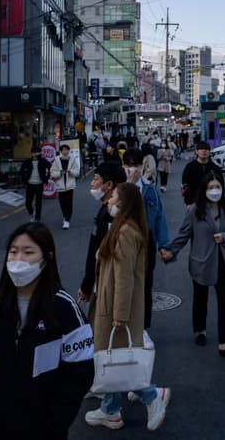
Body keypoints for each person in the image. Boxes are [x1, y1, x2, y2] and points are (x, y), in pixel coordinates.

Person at [0, 223, 94, 439]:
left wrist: (57, 420)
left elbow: (80, 372)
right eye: (13, 251)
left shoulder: (65, 310)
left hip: (44, 429)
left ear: (47, 258)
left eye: (28, 252)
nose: (18, 259)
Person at [84, 182, 171, 431]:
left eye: (113, 197)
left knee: (117, 357)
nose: (109, 200)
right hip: (111, 303)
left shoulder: (125, 233)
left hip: (116, 308)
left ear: (123, 203)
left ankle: (152, 397)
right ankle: (110, 410)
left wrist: (120, 315)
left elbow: (124, 277)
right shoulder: (124, 228)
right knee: (113, 358)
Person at [163, 172, 225, 360]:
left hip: (223, 262)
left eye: (218, 187)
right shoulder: (195, 210)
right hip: (201, 262)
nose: (215, 191)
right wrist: (171, 250)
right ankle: (200, 330)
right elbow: (184, 234)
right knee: (200, 298)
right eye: (211, 188)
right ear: (204, 190)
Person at [122, 149, 170, 339]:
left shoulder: (150, 188)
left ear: (143, 165)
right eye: (129, 165)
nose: (133, 169)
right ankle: (122, 322)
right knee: (124, 282)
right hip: (125, 242)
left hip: (146, 240)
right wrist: (129, 185)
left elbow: (159, 216)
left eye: (137, 165)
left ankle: (142, 326)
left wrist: (164, 244)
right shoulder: (119, 188)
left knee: (145, 283)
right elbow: (116, 212)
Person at [77, 162, 127, 313]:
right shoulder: (106, 210)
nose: (92, 183)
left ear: (109, 185)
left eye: (96, 179)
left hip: (105, 282)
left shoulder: (111, 215)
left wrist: (87, 285)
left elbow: (100, 252)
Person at [181, 141, 222, 206]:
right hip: (194, 202)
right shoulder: (190, 167)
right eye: (201, 149)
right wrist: (188, 203)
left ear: (209, 152)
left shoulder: (214, 167)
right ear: (196, 151)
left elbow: (221, 185)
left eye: (206, 149)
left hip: (212, 201)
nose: (204, 151)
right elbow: (185, 185)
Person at [50, 144, 81, 229]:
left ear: (68, 151)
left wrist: (70, 172)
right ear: (61, 151)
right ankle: (65, 216)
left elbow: (77, 172)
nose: (65, 151)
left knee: (69, 203)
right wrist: (59, 173)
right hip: (60, 185)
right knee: (62, 203)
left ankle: (67, 220)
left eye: (66, 150)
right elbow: (52, 172)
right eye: (63, 150)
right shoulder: (56, 160)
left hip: (70, 185)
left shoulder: (72, 159)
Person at [19, 145, 51, 222]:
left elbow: (51, 168)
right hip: (30, 184)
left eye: (38, 152)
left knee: (38, 202)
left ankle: (37, 218)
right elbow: (21, 171)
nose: (37, 154)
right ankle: (31, 213)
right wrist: (24, 180)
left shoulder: (43, 161)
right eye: (35, 152)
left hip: (39, 184)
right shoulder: (28, 161)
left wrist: (46, 178)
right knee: (28, 203)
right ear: (32, 153)